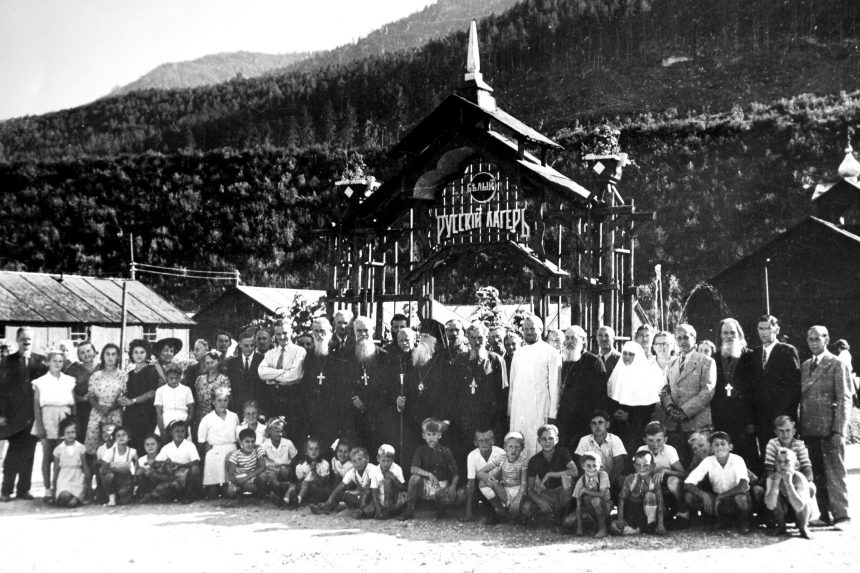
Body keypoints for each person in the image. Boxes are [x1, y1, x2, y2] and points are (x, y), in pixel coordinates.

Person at [799, 325, 853, 528]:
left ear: (826, 339)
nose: (813, 343)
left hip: (830, 429)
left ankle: (842, 515)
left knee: (835, 473)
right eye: (810, 339)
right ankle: (825, 514)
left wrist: (839, 429)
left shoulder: (836, 363)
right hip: (810, 428)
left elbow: (844, 398)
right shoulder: (805, 365)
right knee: (818, 474)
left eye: (817, 339)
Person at [0, 326, 47, 501]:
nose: (26, 341)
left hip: (32, 415)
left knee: (29, 453)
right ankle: (6, 490)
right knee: (13, 453)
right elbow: (1, 389)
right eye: (23, 338)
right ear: (17, 340)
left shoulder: (40, 361)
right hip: (13, 416)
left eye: (29, 339)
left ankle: (23, 490)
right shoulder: (7, 361)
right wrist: (1, 414)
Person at [659, 323, 716, 467]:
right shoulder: (671, 363)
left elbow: (707, 391)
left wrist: (684, 411)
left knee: (699, 465)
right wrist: (669, 407)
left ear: (694, 338)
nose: (682, 341)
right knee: (680, 465)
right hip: (674, 425)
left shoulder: (706, 361)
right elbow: (664, 389)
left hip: (696, 424)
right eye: (679, 338)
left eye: (686, 337)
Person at [454, 322, 508, 464]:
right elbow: (454, 391)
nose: (477, 342)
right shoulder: (460, 360)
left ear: (486, 338)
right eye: (473, 338)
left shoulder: (496, 360)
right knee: (466, 457)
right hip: (466, 421)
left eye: (480, 338)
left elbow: (503, 395)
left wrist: (495, 424)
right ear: (467, 338)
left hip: (489, 421)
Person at [509, 314, 560, 456]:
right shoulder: (518, 353)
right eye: (525, 329)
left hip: (539, 408)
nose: (529, 332)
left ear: (541, 329)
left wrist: (552, 414)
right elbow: (512, 386)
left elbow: (554, 386)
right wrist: (510, 411)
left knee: (537, 444)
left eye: (532, 328)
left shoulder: (551, 352)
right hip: (518, 411)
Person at [710, 318, 758, 468]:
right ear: (720, 336)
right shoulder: (714, 359)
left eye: (733, 332)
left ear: (739, 335)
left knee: (748, 455)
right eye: (725, 333)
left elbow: (755, 391)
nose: (729, 336)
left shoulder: (750, 356)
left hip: (744, 418)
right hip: (722, 417)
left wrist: (751, 420)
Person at [751, 315, 801, 455]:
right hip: (762, 418)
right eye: (761, 328)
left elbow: (794, 387)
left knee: (785, 458)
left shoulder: (787, 350)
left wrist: (782, 415)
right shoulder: (756, 353)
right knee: (767, 457)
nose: (764, 332)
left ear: (777, 329)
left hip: (782, 418)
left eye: (768, 328)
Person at [683, 431, 752, 533]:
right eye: (716, 445)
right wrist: (703, 495)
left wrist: (722, 496)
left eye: (723, 444)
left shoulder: (737, 459)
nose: (720, 447)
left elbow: (742, 486)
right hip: (719, 498)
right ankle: (720, 519)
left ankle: (743, 522)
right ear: (712, 447)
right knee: (690, 496)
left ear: (730, 447)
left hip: (736, 495)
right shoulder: (707, 461)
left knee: (740, 498)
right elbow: (688, 483)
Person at [343, 316, 394, 450]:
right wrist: (353, 397)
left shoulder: (383, 356)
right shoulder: (348, 355)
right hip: (354, 411)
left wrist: (367, 401)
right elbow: (344, 382)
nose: (363, 334)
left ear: (372, 331)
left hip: (377, 411)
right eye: (359, 331)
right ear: (354, 332)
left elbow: (387, 385)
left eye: (366, 330)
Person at [31, 349, 76, 500]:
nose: (57, 364)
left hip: (65, 416)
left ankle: (60, 487)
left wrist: (74, 421)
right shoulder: (40, 382)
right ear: (47, 362)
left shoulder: (69, 380)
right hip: (47, 417)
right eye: (54, 361)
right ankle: (48, 489)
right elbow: (37, 406)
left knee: (62, 454)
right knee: (47, 455)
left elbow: (73, 402)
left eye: (60, 361)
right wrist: (40, 426)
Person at [606, 341, 662, 457]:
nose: (627, 357)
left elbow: (649, 406)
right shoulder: (618, 373)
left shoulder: (645, 376)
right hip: (618, 424)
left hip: (637, 425)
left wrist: (629, 416)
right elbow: (610, 397)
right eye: (625, 354)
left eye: (630, 354)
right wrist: (614, 411)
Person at [396, 330, 442, 469]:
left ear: (434, 345)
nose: (422, 343)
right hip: (412, 418)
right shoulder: (411, 364)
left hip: (432, 417)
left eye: (427, 339)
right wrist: (400, 404)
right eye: (421, 339)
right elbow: (403, 392)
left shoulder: (439, 365)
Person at [303, 317, 350, 453]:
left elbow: (342, 384)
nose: (319, 334)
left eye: (322, 331)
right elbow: (306, 382)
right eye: (315, 331)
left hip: (332, 409)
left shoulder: (338, 353)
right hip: (314, 408)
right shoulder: (310, 355)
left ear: (330, 331)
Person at [399, 418, 461, 520]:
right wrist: (429, 474)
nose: (431, 437)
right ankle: (409, 511)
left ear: (439, 435)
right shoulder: (420, 450)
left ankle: (440, 510)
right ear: (423, 436)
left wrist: (453, 486)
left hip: (441, 485)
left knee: (449, 497)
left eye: (434, 434)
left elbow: (455, 473)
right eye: (428, 434)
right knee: (414, 478)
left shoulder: (446, 451)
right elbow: (413, 469)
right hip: (426, 485)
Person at [556, 325, 607, 449]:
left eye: (573, 338)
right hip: (565, 418)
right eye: (567, 338)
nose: (569, 342)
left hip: (584, 419)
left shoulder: (594, 362)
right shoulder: (564, 361)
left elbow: (600, 395)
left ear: (583, 340)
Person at [258, 319, 306, 442]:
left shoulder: (299, 351)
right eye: (278, 334)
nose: (282, 337)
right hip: (273, 400)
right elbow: (262, 372)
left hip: (292, 400)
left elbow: (295, 375)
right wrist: (283, 372)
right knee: (272, 434)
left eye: (285, 333)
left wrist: (272, 377)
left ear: (292, 332)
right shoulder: (270, 353)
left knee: (291, 435)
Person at [521, 424, 577, 523]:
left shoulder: (563, 452)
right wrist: (540, 501)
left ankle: (563, 514)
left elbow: (574, 472)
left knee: (566, 478)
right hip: (548, 493)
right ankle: (551, 514)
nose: (547, 442)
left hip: (564, 493)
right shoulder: (534, 460)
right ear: (539, 441)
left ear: (557, 439)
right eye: (544, 439)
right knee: (527, 507)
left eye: (551, 438)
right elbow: (530, 488)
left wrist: (550, 474)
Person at [637, 421, 689, 527]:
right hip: (652, 484)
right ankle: (652, 519)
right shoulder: (642, 450)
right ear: (645, 440)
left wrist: (665, 470)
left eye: (659, 440)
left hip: (667, 485)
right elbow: (640, 474)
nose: (655, 444)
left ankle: (683, 513)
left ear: (665, 439)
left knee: (673, 481)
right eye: (650, 440)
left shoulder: (669, 450)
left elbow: (683, 474)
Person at [84, 343, 127, 457]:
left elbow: (124, 397)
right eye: (107, 354)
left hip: (115, 413)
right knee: (94, 449)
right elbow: (91, 397)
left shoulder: (123, 375)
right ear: (103, 356)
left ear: (118, 357)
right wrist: (100, 409)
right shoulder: (96, 375)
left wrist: (112, 407)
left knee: (112, 447)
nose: (110, 357)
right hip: (97, 412)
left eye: (113, 354)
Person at [476, 431, 528, 521]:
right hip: (505, 491)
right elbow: (480, 473)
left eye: (517, 447)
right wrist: (489, 478)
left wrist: (518, 499)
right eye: (510, 446)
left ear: (522, 448)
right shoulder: (501, 458)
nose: (513, 450)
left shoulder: (523, 461)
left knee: (521, 511)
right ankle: (499, 509)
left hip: (518, 491)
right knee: (482, 483)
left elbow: (524, 483)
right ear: (505, 448)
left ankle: (512, 512)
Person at [573, 410, 626, 499]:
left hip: (611, 479)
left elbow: (619, 464)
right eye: (594, 423)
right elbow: (580, 463)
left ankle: (618, 503)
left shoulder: (615, 439)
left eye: (600, 422)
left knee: (622, 479)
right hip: (590, 477)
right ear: (590, 426)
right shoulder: (584, 440)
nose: (597, 426)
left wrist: (606, 482)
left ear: (607, 425)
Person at [611, 450, 666, 536]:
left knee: (650, 496)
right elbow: (622, 499)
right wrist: (620, 518)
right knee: (613, 525)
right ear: (634, 465)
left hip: (647, 516)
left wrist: (661, 524)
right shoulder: (631, 478)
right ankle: (635, 530)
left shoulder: (654, 481)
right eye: (638, 465)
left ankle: (646, 528)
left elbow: (660, 503)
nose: (641, 468)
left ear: (652, 466)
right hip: (631, 514)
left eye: (645, 465)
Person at [197, 387, 239, 498]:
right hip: (214, 451)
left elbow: (238, 436)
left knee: (229, 492)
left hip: (230, 450)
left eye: (225, 400)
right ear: (213, 402)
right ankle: (212, 489)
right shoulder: (207, 418)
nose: (222, 403)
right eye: (219, 400)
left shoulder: (234, 417)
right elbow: (201, 440)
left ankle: (227, 488)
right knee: (213, 493)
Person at [119, 339, 159, 453]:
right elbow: (127, 392)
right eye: (136, 352)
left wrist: (133, 401)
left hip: (146, 414)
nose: (139, 355)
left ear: (147, 354)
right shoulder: (130, 374)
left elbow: (152, 393)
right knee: (131, 446)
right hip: (131, 415)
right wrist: (123, 399)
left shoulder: (151, 370)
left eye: (142, 352)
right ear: (131, 354)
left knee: (144, 446)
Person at [313, 446, 375, 518]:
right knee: (341, 493)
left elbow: (368, 490)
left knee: (367, 506)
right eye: (354, 461)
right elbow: (339, 487)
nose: (357, 463)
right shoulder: (352, 472)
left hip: (375, 498)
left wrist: (362, 507)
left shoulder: (372, 469)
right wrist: (328, 502)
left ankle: (360, 510)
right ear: (351, 462)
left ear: (367, 459)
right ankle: (326, 508)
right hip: (364, 498)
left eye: (360, 459)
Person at [765, 447, 813, 539]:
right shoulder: (771, 478)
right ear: (775, 464)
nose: (782, 465)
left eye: (786, 462)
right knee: (774, 494)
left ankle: (803, 527)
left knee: (807, 495)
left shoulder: (799, 478)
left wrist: (788, 483)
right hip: (784, 512)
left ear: (796, 465)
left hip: (801, 513)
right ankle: (781, 526)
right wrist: (775, 484)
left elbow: (800, 506)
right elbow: (770, 505)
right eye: (778, 462)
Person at [463, 428, 506, 522]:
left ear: (493, 440)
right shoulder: (472, 456)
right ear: (475, 442)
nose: (484, 443)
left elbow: (504, 476)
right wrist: (468, 511)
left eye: (487, 440)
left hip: (499, 487)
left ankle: (501, 510)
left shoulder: (501, 453)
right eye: (481, 441)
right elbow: (471, 482)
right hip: (482, 490)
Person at [154, 420, 201, 503]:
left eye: (182, 431)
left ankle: (188, 495)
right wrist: (166, 462)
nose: (179, 434)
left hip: (186, 473)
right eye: (177, 431)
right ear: (171, 433)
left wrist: (180, 465)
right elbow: (156, 462)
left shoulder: (189, 445)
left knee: (195, 469)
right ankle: (175, 494)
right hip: (172, 474)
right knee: (161, 489)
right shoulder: (167, 447)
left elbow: (196, 461)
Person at [571, 452, 612, 538]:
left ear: (600, 465)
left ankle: (602, 529)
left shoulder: (603, 475)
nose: (592, 469)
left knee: (595, 500)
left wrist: (585, 490)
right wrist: (579, 526)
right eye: (588, 466)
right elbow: (578, 504)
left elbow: (601, 494)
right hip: (589, 509)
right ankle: (591, 527)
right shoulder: (581, 481)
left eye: (595, 465)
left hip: (605, 506)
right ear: (583, 466)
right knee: (568, 521)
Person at [51, 417, 90, 507]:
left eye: (73, 432)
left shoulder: (80, 447)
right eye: (67, 433)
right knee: (64, 496)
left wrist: (88, 484)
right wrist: (54, 487)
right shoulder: (58, 449)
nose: (70, 435)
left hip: (77, 477)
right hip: (64, 478)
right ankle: (68, 498)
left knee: (71, 503)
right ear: (63, 434)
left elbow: (85, 467)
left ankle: (77, 498)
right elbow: (56, 469)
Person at [762, 416, 814, 484]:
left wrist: (807, 482)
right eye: (781, 431)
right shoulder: (773, 443)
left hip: (795, 478)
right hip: (777, 478)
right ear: (775, 432)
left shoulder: (799, 445)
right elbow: (769, 469)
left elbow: (806, 467)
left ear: (794, 431)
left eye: (788, 430)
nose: (785, 434)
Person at [225, 330, 265, 413]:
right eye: (246, 346)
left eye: (252, 345)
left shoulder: (262, 360)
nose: (250, 349)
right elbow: (230, 387)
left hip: (257, 408)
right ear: (239, 344)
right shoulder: (232, 363)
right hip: (237, 408)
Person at [193, 349, 231, 434]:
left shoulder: (224, 380)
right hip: (200, 416)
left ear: (218, 362)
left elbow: (223, 400)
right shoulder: (200, 379)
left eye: (212, 362)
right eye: (207, 363)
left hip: (216, 415)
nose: (210, 365)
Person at [98, 426, 137, 506]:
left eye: (123, 435)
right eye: (118, 435)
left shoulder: (132, 452)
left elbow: (136, 468)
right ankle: (111, 496)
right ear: (115, 438)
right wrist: (118, 467)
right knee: (109, 476)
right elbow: (103, 469)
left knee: (124, 501)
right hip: (113, 480)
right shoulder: (110, 452)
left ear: (128, 437)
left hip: (125, 479)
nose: (121, 437)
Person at [154, 363, 195, 440]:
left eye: (177, 378)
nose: (174, 380)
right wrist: (162, 431)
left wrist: (184, 427)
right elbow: (158, 412)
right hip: (166, 420)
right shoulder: (160, 391)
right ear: (166, 377)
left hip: (183, 420)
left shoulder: (186, 390)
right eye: (171, 378)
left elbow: (191, 411)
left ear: (180, 377)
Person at [66, 340, 97, 440]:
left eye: (88, 351)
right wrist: (82, 398)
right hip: (82, 412)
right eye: (82, 352)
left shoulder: (103, 367)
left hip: (101, 409)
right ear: (78, 355)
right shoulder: (73, 370)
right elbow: (67, 393)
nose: (86, 354)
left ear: (94, 352)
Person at [261, 417, 298, 501]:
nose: (280, 434)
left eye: (282, 431)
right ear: (270, 431)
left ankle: (283, 493)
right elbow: (261, 462)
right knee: (272, 480)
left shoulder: (288, 443)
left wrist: (295, 476)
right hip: (271, 472)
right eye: (277, 431)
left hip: (284, 472)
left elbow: (294, 461)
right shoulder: (265, 445)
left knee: (284, 470)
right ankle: (276, 494)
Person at [225, 428, 267, 500]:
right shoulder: (236, 455)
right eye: (247, 441)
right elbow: (230, 475)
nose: (250, 444)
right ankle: (240, 495)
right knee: (231, 490)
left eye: (253, 441)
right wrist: (241, 482)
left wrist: (247, 477)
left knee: (263, 475)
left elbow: (263, 467)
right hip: (240, 479)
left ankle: (259, 497)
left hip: (253, 477)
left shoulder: (257, 449)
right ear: (241, 442)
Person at [369, 444, 407, 518]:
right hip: (382, 499)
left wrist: (393, 478)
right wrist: (377, 508)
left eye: (389, 461)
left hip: (395, 499)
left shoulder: (397, 469)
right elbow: (374, 491)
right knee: (368, 512)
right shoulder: (374, 470)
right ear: (378, 458)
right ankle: (385, 510)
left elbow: (403, 489)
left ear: (393, 459)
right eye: (383, 460)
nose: (386, 464)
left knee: (387, 482)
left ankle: (390, 510)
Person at [292, 437, 331, 505]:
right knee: (296, 486)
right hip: (306, 489)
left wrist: (313, 471)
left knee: (323, 489)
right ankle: (298, 499)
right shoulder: (302, 466)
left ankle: (301, 499)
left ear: (320, 450)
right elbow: (300, 482)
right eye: (310, 449)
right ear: (306, 452)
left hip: (319, 488)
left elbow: (322, 482)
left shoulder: (324, 464)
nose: (313, 451)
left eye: (316, 449)